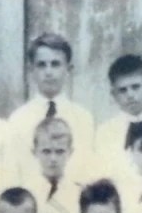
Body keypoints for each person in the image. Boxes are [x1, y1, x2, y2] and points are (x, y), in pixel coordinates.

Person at [9, 33, 94, 180]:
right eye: (41, 65)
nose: (48, 72)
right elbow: (14, 171)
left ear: (68, 69)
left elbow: (87, 169)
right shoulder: (18, 119)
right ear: (31, 70)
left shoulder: (83, 118)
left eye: (55, 64)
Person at [21, 117, 84, 213]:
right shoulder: (24, 192)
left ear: (70, 152)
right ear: (34, 152)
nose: (53, 158)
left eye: (59, 151)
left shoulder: (80, 194)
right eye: (46, 151)